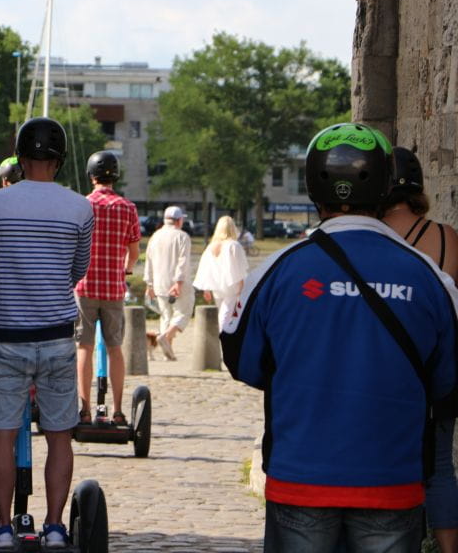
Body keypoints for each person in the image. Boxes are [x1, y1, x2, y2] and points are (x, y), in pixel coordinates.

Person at [221, 122, 458, 552]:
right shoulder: (429, 278)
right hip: (392, 477)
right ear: (386, 185)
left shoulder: (276, 271)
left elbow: (243, 361)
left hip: (301, 474)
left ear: (314, 185)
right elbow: (447, 380)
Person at [0, 117, 93, 549]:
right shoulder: (80, 207)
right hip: (58, 337)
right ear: (59, 160)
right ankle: (55, 527)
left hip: (9, 337)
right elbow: (77, 271)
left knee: (3, 432)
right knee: (59, 436)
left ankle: (3, 527)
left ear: (19, 158)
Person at [383, 146, 458, 553]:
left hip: (392, 370)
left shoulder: (375, 239)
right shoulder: (446, 237)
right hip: (438, 368)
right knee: (441, 467)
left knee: (390, 462)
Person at [74, 150, 141, 426]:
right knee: (115, 348)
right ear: (116, 176)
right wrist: (126, 268)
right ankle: (117, 409)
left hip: (85, 285)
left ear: (91, 177)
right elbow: (134, 251)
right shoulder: (128, 208)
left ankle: (85, 408)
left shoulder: (82, 206)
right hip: (113, 288)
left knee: (84, 347)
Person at [143, 205, 193, 360]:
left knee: (165, 316)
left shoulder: (155, 236)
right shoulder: (182, 236)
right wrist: (178, 282)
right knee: (183, 312)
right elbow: (182, 261)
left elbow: (148, 261)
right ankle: (166, 337)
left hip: (159, 283)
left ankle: (168, 352)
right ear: (178, 220)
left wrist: (149, 283)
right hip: (178, 282)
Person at [192, 215, 249, 327]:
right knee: (226, 316)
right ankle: (224, 340)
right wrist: (242, 289)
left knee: (223, 314)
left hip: (217, 286)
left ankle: (222, 340)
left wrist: (206, 289)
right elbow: (241, 269)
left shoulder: (211, 246)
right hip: (232, 286)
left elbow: (205, 268)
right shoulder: (234, 245)